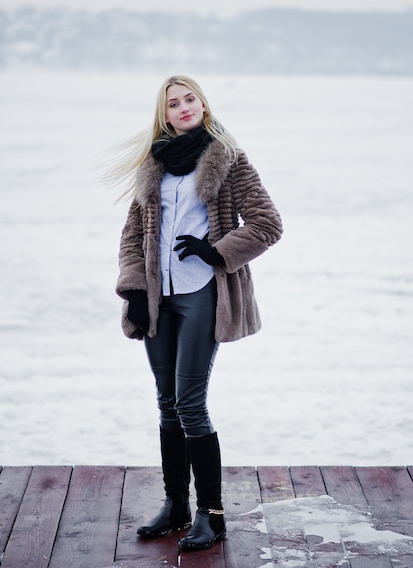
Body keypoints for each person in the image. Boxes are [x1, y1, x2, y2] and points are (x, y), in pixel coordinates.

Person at [113, 75, 283, 551]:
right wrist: (133, 289)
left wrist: (216, 252)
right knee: (166, 401)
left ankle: (212, 514)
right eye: (174, 103)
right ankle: (176, 506)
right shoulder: (153, 166)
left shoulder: (229, 159)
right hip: (155, 300)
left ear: (203, 105)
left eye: (190, 99)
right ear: (163, 114)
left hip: (201, 293)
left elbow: (269, 223)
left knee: (190, 403)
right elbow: (132, 235)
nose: (184, 107)